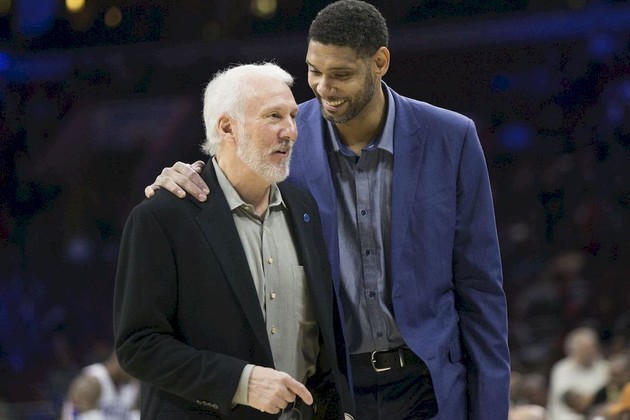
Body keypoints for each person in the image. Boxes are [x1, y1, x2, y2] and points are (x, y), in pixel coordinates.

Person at [145, 1, 510, 418]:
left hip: (430, 385)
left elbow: (480, 288)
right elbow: (226, 176)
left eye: (341, 75)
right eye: (313, 70)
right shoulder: (282, 139)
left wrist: (491, 408)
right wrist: (181, 175)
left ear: (380, 62)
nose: (323, 87)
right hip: (331, 389)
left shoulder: (452, 137)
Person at [114, 63, 354, 419]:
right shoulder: (163, 217)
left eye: (292, 116)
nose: (291, 131)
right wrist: (241, 382)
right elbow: (138, 346)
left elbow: (319, 341)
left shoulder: (303, 208)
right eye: (274, 117)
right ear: (227, 127)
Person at [546, 326, 610, 419]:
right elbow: (563, 399)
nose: (589, 351)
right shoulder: (561, 369)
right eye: (585, 348)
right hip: (568, 415)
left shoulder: (604, 367)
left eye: (592, 347)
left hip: (598, 413)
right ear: (573, 349)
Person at [61, 352, 140, 420]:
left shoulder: (131, 386)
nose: (135, 376)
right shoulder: (92, 380)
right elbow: (82, 416)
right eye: (135, 368)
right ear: (122, 361)